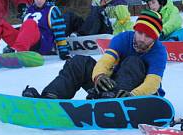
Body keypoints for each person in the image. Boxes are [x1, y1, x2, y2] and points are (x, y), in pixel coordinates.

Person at [22, 10, 167, 99]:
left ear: (155, 38)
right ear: (135, 30)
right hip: (109, 88)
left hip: (136, 94)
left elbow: (152, 83)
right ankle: (51, 97)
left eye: (147, 36)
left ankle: (112, 100)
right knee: (79, 62)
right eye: (140, 32)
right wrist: (99, 77)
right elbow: (106, 61)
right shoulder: (123, 38)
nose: (142, 38)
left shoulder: (159, 52)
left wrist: (133, 95)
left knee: (134, 61)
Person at [0, 0, 70, 60]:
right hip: (26, 42)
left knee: (30, 23)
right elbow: (23, 30)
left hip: (41, 43)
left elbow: (59, 32)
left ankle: (19, 53)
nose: (38, 0)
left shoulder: (52, 10)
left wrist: (63, 51)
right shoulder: (29, 9)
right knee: (0, 23)